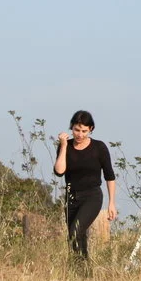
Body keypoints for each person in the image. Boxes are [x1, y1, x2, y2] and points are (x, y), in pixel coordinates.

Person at [52, 110, 117, 263]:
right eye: (76, 130)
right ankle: (81, 270)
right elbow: (59, 172)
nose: (80, 135)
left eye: (84, 131)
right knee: (75, 237)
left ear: (90, 129)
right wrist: (63, 146)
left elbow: (109, 176)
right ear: (71, 128)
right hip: (71, 197)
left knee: (75, 231)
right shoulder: (65, 146)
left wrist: (111, 203)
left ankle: (81, 268)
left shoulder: (99, 147)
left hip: (92, 196)